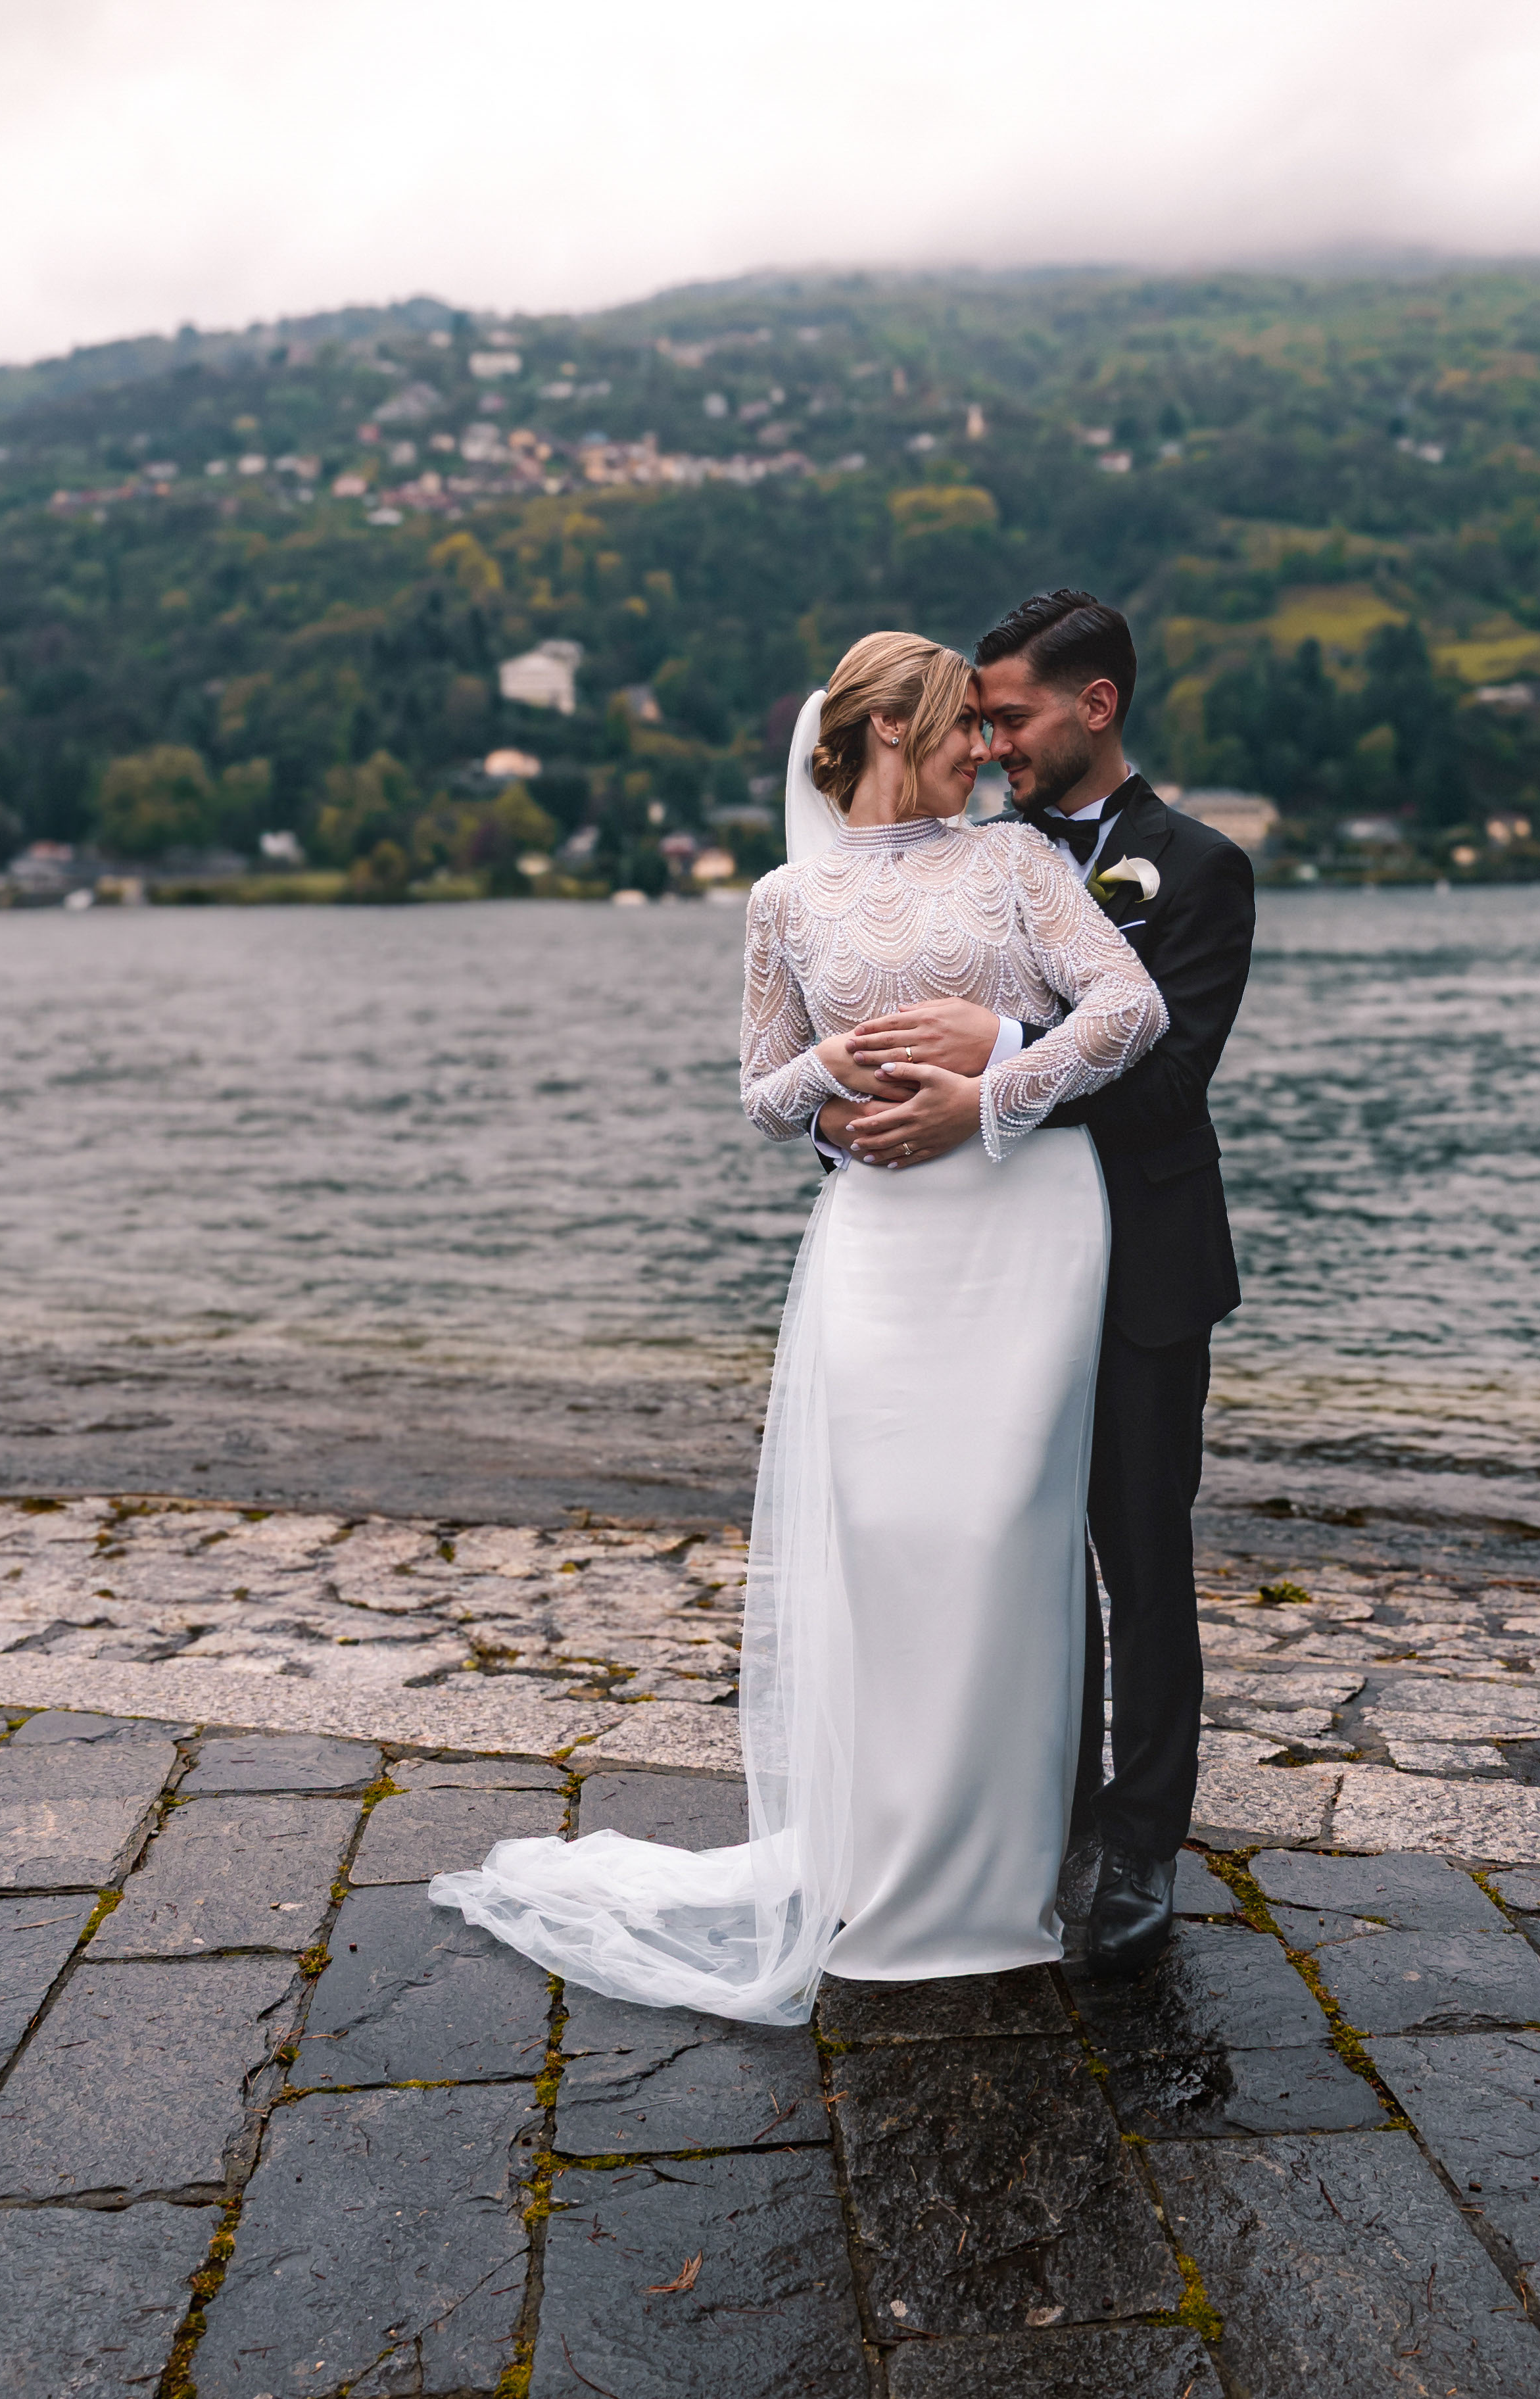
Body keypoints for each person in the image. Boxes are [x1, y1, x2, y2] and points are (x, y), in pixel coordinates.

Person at [429, 630, 1164, 2023]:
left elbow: (1133, 1005)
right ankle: (888, 1868)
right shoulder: (787, 899)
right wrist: (828, 1077)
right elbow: (760, 1093)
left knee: (999, 1540)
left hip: (1026, 1231)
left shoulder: (1018, 865)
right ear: (891, 727)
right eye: (963, 724)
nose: (987, 748)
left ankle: (1000, 1886)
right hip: (882, 1251)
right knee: (891, 1543)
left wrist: (997, 1084)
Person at [827, 590, 1255, 1976]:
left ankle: (1140, 1847)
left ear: (1098, 705)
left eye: (1010, 715)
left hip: (1139, 1263)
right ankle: (1040, 1813)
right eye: (979, 720)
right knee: (1014, 1552)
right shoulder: (980, 859)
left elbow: (1170, 1077)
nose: (994, 741)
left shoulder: (1198, 867)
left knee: (1141, 1554)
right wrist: (866, 1118)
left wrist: (1004, 1048)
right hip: (991, 1269)